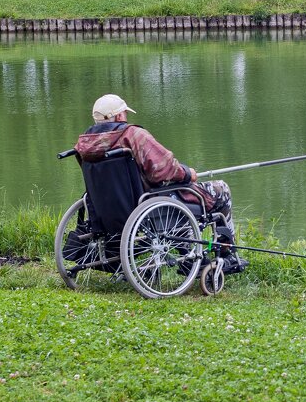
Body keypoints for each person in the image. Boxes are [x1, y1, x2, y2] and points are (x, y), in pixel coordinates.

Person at [74, 93, 247, 273]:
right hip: (145, 201)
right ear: (118, 116)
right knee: (221, 190)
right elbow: (164, 168)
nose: (126, 118)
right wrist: (188, 173)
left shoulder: (84, 144)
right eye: (124, 114)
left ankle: (188, 253)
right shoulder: (132, 134)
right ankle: (227, 255)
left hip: (110, 207)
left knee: (172, 199)